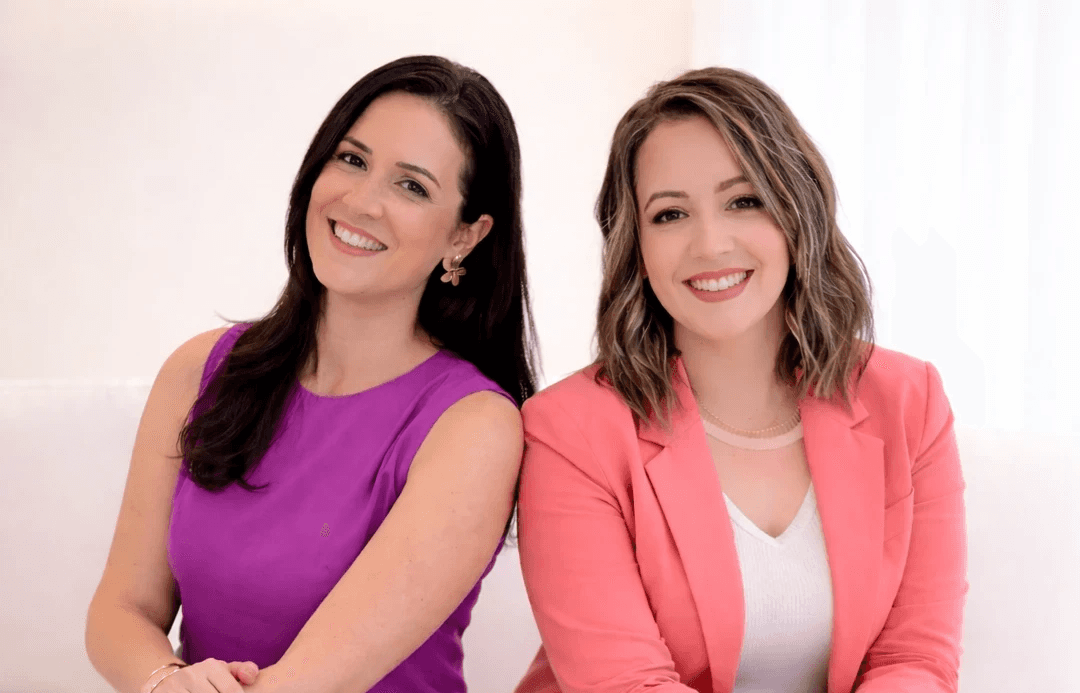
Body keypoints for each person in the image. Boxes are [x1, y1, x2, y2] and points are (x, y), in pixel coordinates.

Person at [85, 55, 538, 693]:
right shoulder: (201, 370)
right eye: (351, 160)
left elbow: (312, 682)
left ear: (465, 236)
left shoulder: (475, 426)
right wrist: (165, 680)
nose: (360, 201)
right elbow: (121, 609)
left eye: (411, 186)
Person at [513, 67, 967, 693]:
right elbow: (625, 685)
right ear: (635, 246)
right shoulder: (569, 430)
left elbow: (915, 661)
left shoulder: (908, 401)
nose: (709, 243)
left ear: (796, 209)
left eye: (744, 201)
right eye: (670, 215)